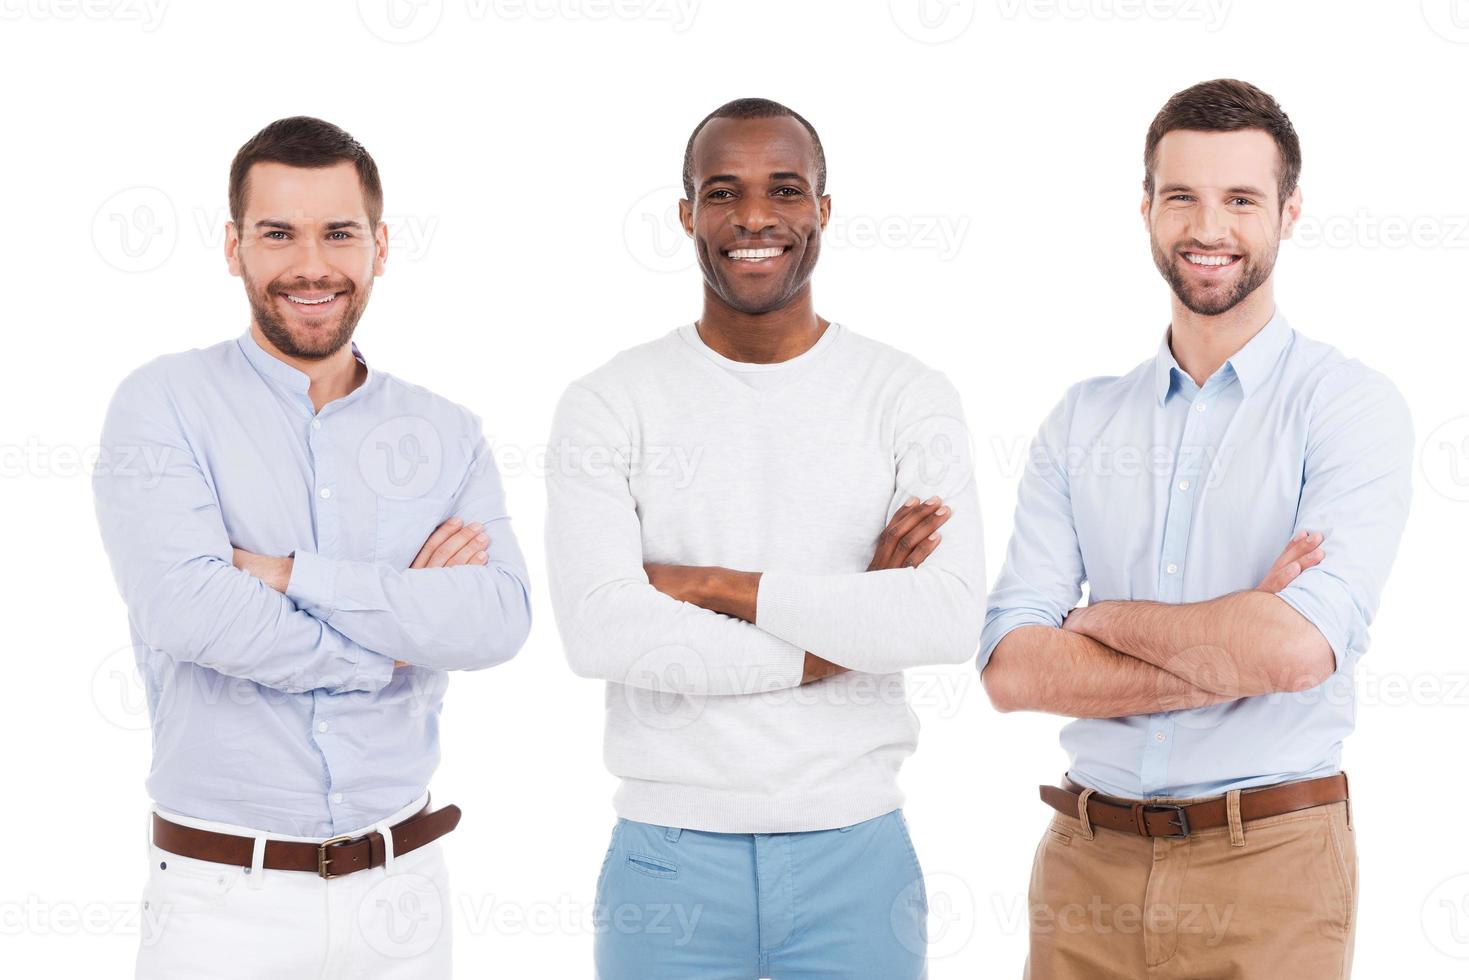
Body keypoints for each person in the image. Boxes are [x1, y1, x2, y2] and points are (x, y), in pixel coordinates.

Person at [544, 97, 986, 979]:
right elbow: (602, 631)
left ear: (823, 208)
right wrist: (833, 640)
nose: (753, 217)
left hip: (855, 855)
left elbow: (941, 618)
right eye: (722, 193)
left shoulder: (907, 394)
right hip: (668, 859)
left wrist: (712, 585)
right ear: (685, 216)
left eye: (784, 189)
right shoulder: (606, 402)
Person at [980, 79, 1413, 978]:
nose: (1207, 227)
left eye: (1240, 200)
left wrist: (1097, 620)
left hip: (1270, 864)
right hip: (1083, 867)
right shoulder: (1080, 421)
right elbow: (1013, 669)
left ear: (1289, 214)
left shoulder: (1347, 408)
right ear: (1145, 208)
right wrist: (1231, 632)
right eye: (1181, 197)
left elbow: (1293, 655)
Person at [92, 116, 532, 979]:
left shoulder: (445, 432)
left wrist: (288, 575)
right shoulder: (162, 405)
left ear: (380, 245)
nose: (312, 265)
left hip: (403, 895)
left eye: (339, 233)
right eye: (277, 234)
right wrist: (391, 640)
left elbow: (498, 620)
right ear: (233, 247)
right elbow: (190, 610)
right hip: (221, 903)